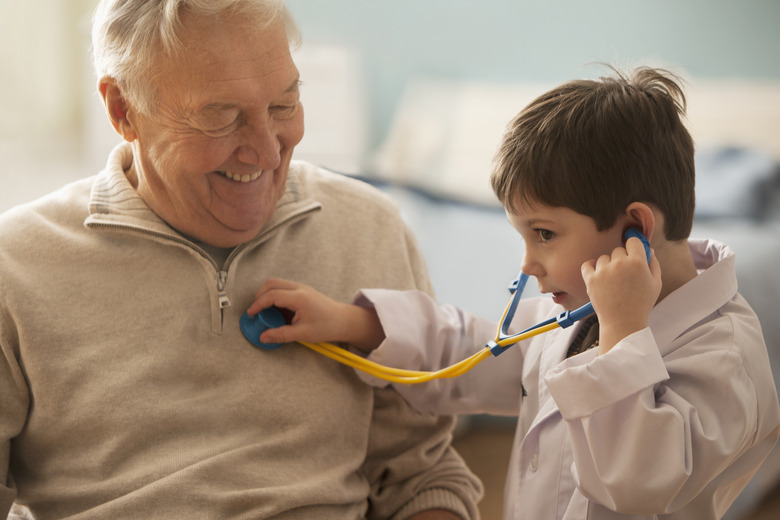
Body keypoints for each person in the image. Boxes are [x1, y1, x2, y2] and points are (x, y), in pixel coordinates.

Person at [0, 1, 483, 519]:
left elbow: (419, 476)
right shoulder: (17, 266)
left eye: (283, 105)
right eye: (220, 116)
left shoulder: (367, 228)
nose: (268, 152)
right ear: (123, 110)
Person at [248, 67, 780, 519]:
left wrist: (624, 334)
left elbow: (638, 481)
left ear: (634, 229)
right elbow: (478, 350)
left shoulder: (725, 356)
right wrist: (352, 322)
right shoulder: (580, 317)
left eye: (544, 234)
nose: (528, 263)